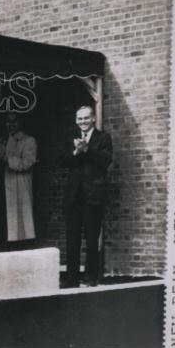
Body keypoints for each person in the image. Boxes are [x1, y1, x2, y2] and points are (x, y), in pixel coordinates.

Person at [60, 105, 113, 287]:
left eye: (85, 118)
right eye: (79, 119)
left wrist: (87, 150)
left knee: (91, 239)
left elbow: (105, 161)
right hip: (73, 196)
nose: (82, 122)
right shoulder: (70, 137)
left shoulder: (103, 138)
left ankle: (91, 277)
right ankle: (72, 278)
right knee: (72, 238)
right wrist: (75, 152)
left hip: (93, 196)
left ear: (92, 119)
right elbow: (63, 161)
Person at [0, 113, 37, 251]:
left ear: (20, 123)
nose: (11, 124)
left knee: (16, 227)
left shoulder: (28, 141)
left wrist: (6, 157)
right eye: (8, 121)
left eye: (14, 121)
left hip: (17, 189)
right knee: (0, 224)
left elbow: (27, 163)